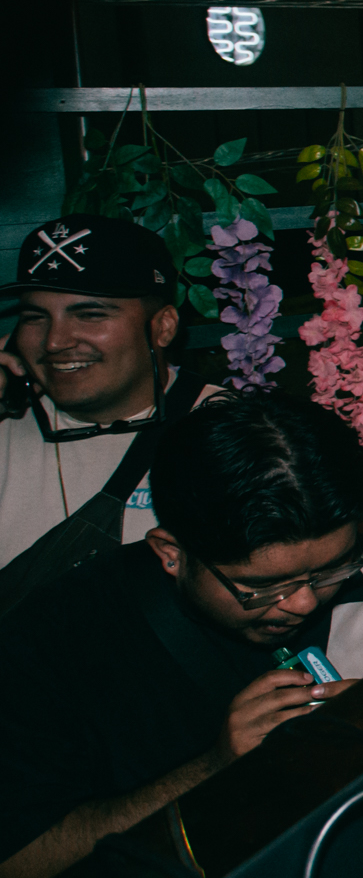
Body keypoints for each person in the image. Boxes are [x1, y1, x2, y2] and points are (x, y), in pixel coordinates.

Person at [0, 392, 363, 878]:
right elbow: (15, 875)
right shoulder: (61, 637)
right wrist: (213, 772)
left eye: (333, 568)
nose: (303, 602)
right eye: (261, 587)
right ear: (172, 554)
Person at [0, 217, 219, 610]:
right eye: (35, 317)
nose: (54, 341)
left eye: (90, 314)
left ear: (163, 327)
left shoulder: (234, 430)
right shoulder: (7, 424)